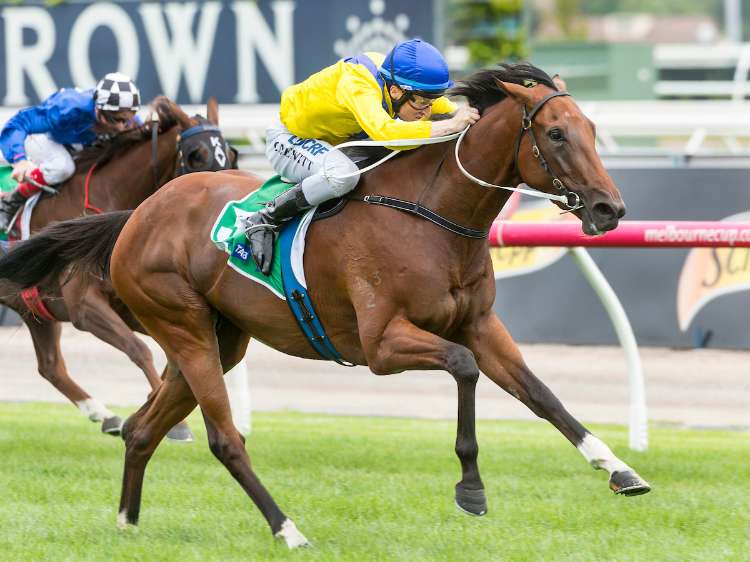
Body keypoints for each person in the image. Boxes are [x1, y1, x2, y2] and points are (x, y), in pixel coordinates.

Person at [244, 38, 480, 274]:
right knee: (344, 175)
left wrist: (464, 115)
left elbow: (447, 109)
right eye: (423, 102)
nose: (427, 110)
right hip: (289, 138)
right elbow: (386, 133)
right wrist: (450, 125)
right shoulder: (358, 83)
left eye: (431, 101)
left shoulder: (398, 85)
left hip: (332, 142)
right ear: (396, 91)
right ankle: (265, 218)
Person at [0, 72, 141, 231]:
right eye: (116, 119)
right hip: (43, 138)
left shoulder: (127, 119)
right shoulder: (68, 107)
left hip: (73, 144)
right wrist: (19, 159)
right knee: (63, 167)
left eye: (127, 119)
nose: (122, 127)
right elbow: (18, 123)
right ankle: (10, 201)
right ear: (98, 110)